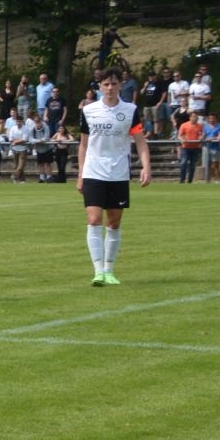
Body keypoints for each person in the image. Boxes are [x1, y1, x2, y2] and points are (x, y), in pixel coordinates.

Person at [77, 71, 152, 287]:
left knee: (114, 222)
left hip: (118, 172)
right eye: (106, 84)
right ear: (100, 86)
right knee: (94, 220)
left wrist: (146, 167)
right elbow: (83, 144)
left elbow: (140, 141)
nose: (110, 87)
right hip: (93, 171)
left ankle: (109, 270)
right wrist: (81, 174)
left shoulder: (130, 111)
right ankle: (98, 271)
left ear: (120, 85)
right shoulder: (89, 111)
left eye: (114, 83)